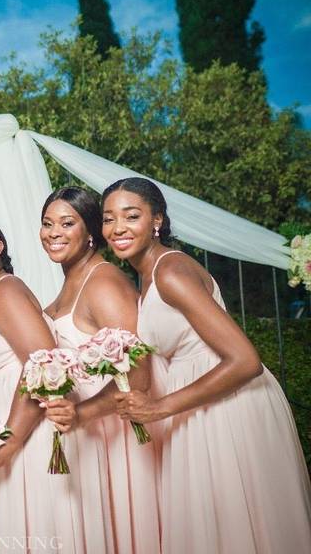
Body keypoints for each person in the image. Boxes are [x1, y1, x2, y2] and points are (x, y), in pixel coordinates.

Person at [104, 177, 311, 553]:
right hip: (198, 409)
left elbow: (246, 360)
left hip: (228, 407)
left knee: (239, 527)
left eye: (131, 215)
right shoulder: (146, 276)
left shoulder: (170, 272)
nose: (118, 227)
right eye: (108, 218)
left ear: (157, 221)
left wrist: (159, 407)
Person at [0, 216, 90, 553]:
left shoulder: (6, 290)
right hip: (4, 436)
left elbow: (42, 365)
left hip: (22, 438)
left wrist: (6, 443)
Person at [40, 187, 159, 553]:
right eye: (47, 224)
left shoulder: (104, 282)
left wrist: (81, 412)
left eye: (67, 223)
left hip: (113, 438)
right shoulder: (66, 285)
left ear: (91, 231)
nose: (54, 232)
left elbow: (138, 375)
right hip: (82, 438)